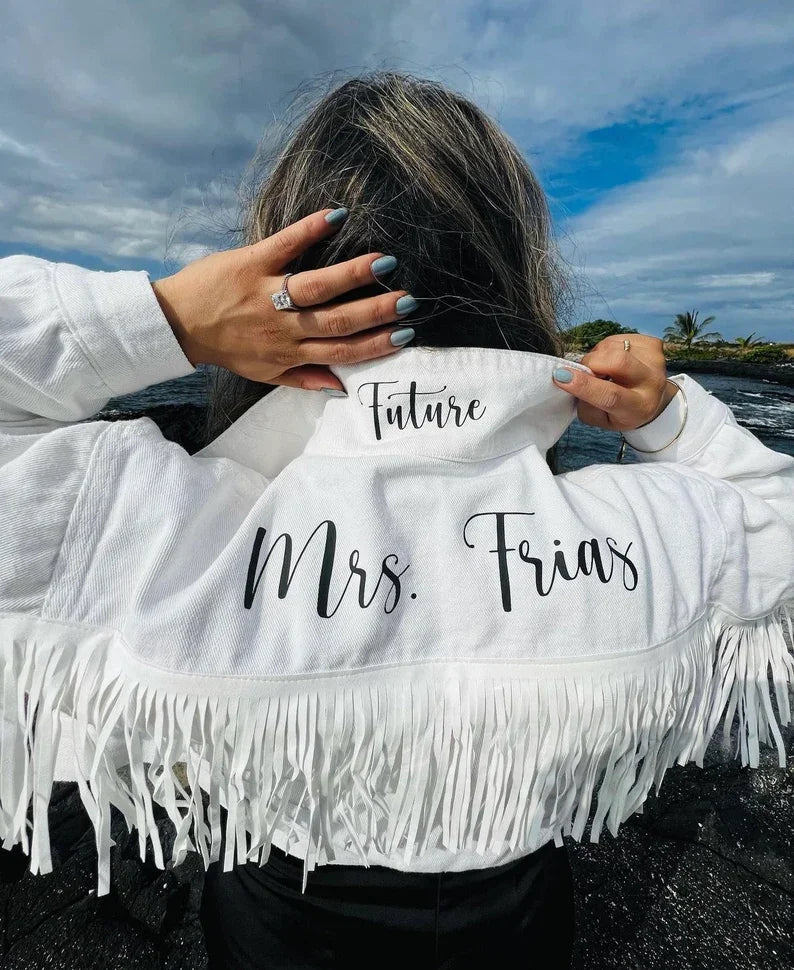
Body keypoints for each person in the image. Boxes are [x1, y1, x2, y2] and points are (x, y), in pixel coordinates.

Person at [0, 72, 791, 970]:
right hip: (517, 918)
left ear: (273, 275)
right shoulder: (630, 531)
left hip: (276, 919)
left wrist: (170, 320)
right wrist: (669, 421)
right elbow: (774, 519)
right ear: (512, 266)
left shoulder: (170, 530)